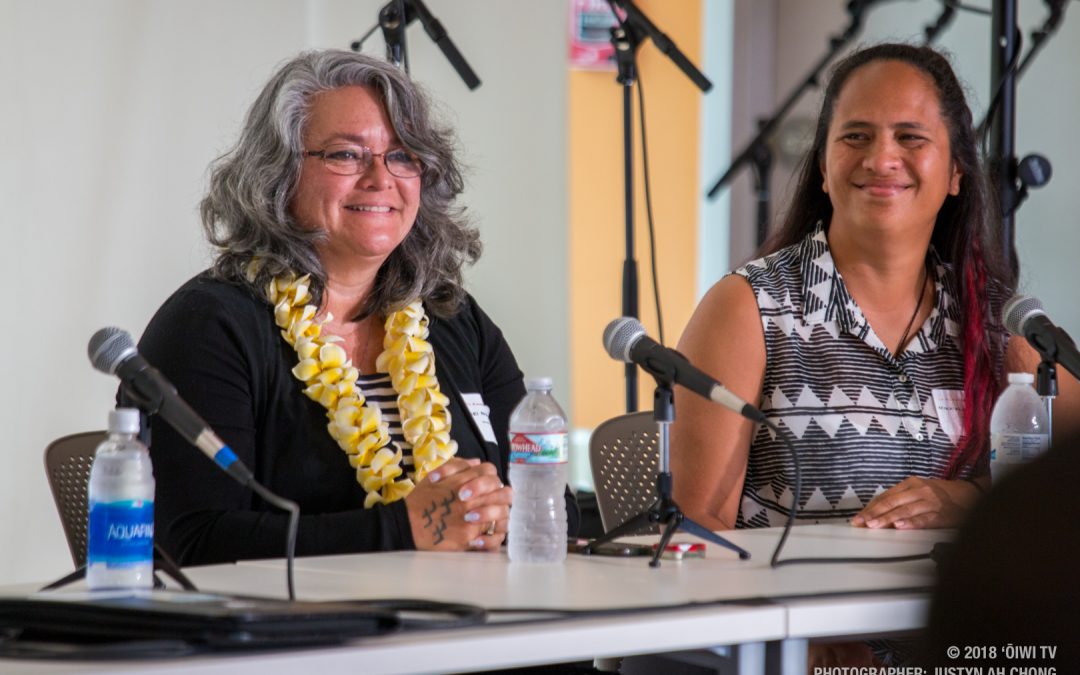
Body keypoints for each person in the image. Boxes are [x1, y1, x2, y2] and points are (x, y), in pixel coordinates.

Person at [672, 43, 1074, 666]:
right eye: (855, 136)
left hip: (963, 647)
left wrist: (969, 498)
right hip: (797, 648)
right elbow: (697, 528)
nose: (881, 159)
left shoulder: (1000, 323)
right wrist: (801, 637)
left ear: (957, 172)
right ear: (825, 167)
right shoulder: (748, 307)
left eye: (910, 137)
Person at [133, 50, 578, 566]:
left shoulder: (452, 317)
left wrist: (498, 511)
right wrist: (402, 529)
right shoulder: (208, 326)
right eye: (347, 155)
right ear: (278, 173)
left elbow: (550, 502)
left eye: (404, 155)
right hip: (306, 639)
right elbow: (194, 543)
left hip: (476, 627)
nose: (380, 178)